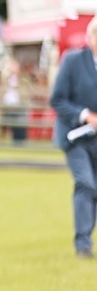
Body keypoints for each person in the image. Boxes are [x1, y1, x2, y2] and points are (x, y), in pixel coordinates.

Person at [49, 17, 97, 258]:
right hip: (75, 136)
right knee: (86, 184)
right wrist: (86, 115)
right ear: (90, 37)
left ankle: (86, 237)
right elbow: (57, 99)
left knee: (94, 189)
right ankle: (83, 245)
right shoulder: (73, 61)